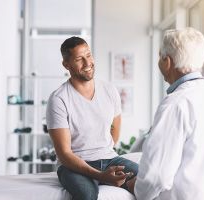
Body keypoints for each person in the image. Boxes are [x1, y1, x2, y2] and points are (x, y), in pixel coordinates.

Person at [46, 36, 138, 200]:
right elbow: (64, 153)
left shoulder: (109, 90)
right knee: (87, 195)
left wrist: (103, 154)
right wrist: (101, 175)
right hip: (73, 166)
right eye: (79, 59)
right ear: (66, 64)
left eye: (88, 55)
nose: (88, 63)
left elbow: (114, 130)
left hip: (109, 159)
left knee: (149, 180)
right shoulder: (58, 99)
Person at [127, 27, 204, 200]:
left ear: (167, 62)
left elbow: (156, 176)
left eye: (160, 56)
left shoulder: (175, 104)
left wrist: (135, 187)